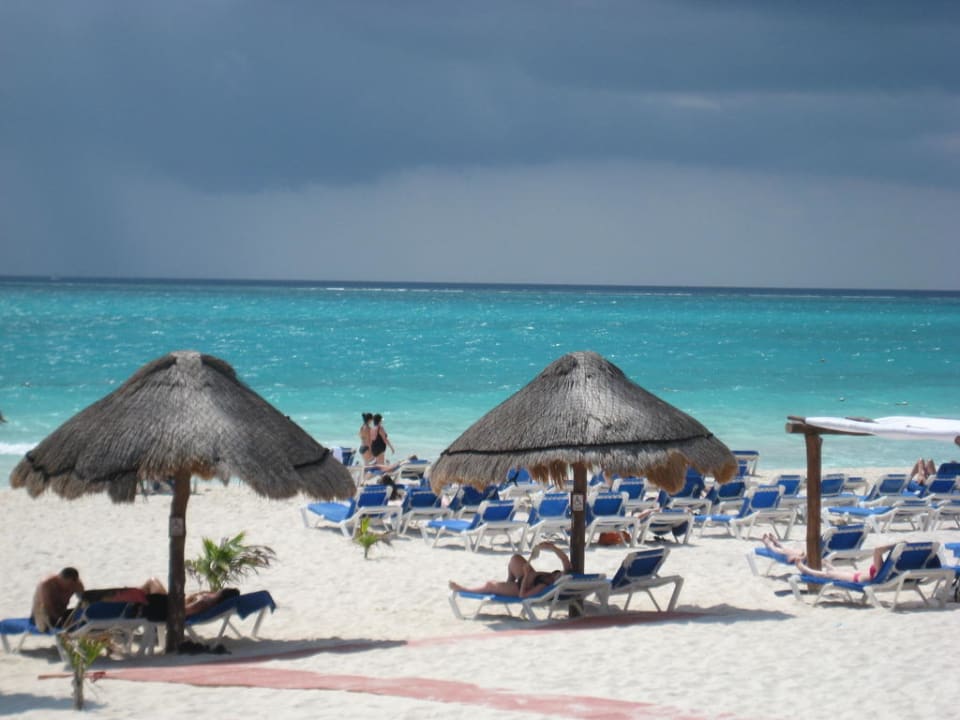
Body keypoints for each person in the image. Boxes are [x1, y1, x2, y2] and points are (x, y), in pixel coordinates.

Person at [449, 541, 572, 598]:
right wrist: (551, 547)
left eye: (560, 575)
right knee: (515, 558)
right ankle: (509, 581)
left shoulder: (543, 585)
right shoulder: (558, 577)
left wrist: (525, 575)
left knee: (490, 585)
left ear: (556, 581)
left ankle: (464, 589)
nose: (560, 573)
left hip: (520, 587)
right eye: (560, 573)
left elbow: (522, 595)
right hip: (527, 575)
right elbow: (565, 559)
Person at [795, 544, 896, 583]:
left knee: (828, 575)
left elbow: (877, 550)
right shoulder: (890, 568)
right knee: (837, 572)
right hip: (856, 575)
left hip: (856, 579)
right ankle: (829, 565)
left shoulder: (880, 569)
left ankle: (805, 570)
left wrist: (895, 545)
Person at [31, 567, 84, 631]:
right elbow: (47, 605)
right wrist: (58, 619)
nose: (70, 586)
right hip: (42, 611)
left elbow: (83, 600)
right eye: (69, 584)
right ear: (60, 578)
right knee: (45, 627)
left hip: (61, 611)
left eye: (72, 584)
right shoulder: (46, 584)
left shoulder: (77, 584)